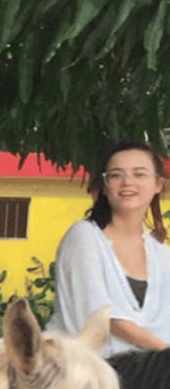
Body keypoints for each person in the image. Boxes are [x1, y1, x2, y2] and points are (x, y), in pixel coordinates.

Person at [49, 140, 170, 354]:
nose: (127, 182)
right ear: (105, 186)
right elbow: (99, 316)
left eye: (139, 174)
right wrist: (164, 353)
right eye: (116, 175)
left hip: (151, 368)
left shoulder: (162, 255)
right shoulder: (84, 236)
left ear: (158, 184)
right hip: (86, 365)